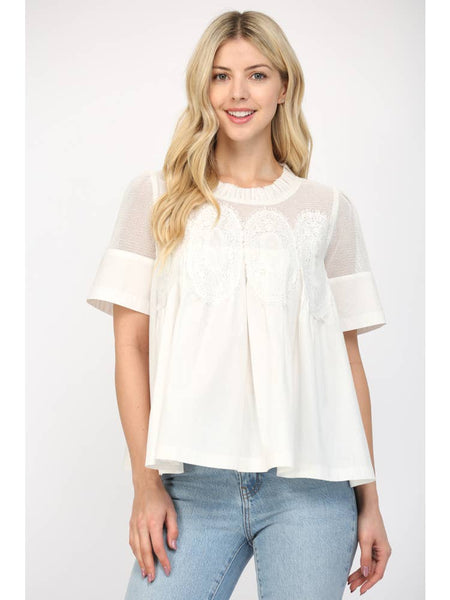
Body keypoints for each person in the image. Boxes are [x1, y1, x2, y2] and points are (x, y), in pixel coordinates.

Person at [86, 9, 392, 600]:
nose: (238, 93)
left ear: (284, 86)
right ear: (203, 87)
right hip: (191, 489)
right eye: (221, 76)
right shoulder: (156, 197)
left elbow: (348, 363)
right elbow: (130, 346)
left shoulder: (328, 209)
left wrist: (370, 500)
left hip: (310, 488)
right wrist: (145, 486)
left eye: (257, 74)